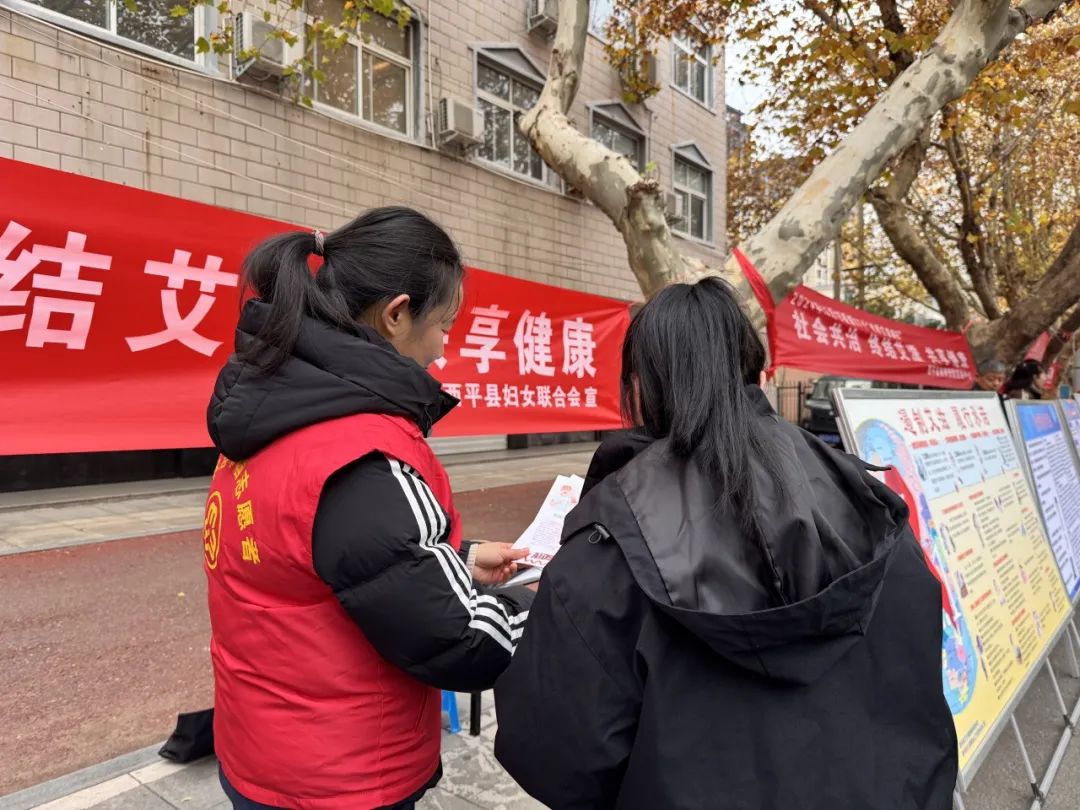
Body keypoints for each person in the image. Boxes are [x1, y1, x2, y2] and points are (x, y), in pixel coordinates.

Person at [494, 278, 957, 810]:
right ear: (755, 372)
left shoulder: (610, 538)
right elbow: (916, 658)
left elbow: (558, 753)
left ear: (640, 386)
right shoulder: (861, 495)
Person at [204, 207, 534, 810]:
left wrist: (456, 560)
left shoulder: (270, 411)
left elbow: (318, 554)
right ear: (396, 314)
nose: (444, 347)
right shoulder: (361, 453)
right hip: (342, 774)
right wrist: (551, 603)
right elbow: (455, 640)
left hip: (262, 748)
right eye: (444, 324)